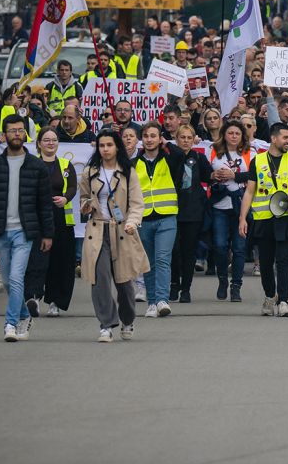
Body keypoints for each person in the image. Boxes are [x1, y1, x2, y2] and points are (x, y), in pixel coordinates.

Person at [0, 115, 55, 341]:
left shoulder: (36, 166)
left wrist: (48, 234)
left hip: (25, 232)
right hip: (1, 231)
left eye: (20, 131)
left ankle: (11, 323)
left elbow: (44, 204)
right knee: (7, 281)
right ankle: (25, 315)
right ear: (4, 134)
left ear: (25, 135)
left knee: (17, 277)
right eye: (12, 131)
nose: (17, 134)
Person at [79, 130, 148, 341]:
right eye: (102, 145)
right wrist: (86, 206)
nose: (105, 149)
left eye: (109, 145)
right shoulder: (90, 172)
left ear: (117, 146)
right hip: (97, 230)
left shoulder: (128, 172)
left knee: (124, 281)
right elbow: (83, 197)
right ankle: (106, 324)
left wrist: (132, 222)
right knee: (98, 278)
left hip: (122, 230)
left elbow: (137, 203)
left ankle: (127, 320)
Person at [239, 122, 288, 317]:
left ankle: (284, 301)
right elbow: (249, 192)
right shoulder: (258, 160)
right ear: (273, 138)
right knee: (265, 262)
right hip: (263, 219)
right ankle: (270, 295)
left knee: (284, 260)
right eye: (285, 137)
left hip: (285, 218)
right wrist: (242, 219)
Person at [135, 122, 185, 318]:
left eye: (153, 136)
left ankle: (163, 300)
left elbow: (180, 154)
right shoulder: (135, 162)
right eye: (146, 136)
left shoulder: (169, 158)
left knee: (163, 259)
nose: (149, 139)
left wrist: (166, 143)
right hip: (144, 218)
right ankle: (152, 302)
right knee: (148, 263)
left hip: (166, 216)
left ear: (159, 138)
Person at [31, 126, 78, 316]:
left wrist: (65, 198)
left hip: (61, 219)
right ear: (39, 143)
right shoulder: (33, 164)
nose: (51, 143)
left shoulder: (66, 164)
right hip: (38, 219)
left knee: (61, 261)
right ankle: (34, 296)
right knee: (38, 259)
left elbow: (73, 186)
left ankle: (56, 302)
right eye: (46, 140)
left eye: (54, 140)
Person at [208, 121, 252, 302]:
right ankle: (222, 279)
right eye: (230, 133)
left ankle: (236, 286)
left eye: (237, 133)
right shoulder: (213, 151)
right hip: (220, 204)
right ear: (224, 134)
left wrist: (235, 176)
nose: (233, 136)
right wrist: (213, 176)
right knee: (219, 245)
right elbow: (205, 173)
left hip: (241, 204)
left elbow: (254, 176)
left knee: (239, 248)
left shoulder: (251, 152)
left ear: (242, 136)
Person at [170, 124, 212, 304]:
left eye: (189, 138)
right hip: (172, 210)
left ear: (194, 140)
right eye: (182, 137)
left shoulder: (199, 158)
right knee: (173, 251)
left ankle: (186, 289)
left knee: (188, 252)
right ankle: (173, 285)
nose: (185, 141)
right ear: (176, 139)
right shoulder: (170, 157)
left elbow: (209, 176)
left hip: (193, 212)